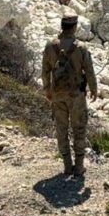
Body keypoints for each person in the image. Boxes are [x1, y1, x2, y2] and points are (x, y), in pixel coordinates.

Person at [41, 14, 97, 178]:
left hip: (58, 95)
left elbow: (45, 71)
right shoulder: (81, 48)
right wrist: (94, 89)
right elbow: (89, 71)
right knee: (79, 129)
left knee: (61, 129)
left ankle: (67, 165)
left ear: (62, 26)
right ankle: (79, 167)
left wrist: (47, 90)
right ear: (74, 27)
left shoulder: (50, 46)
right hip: (77, 96)